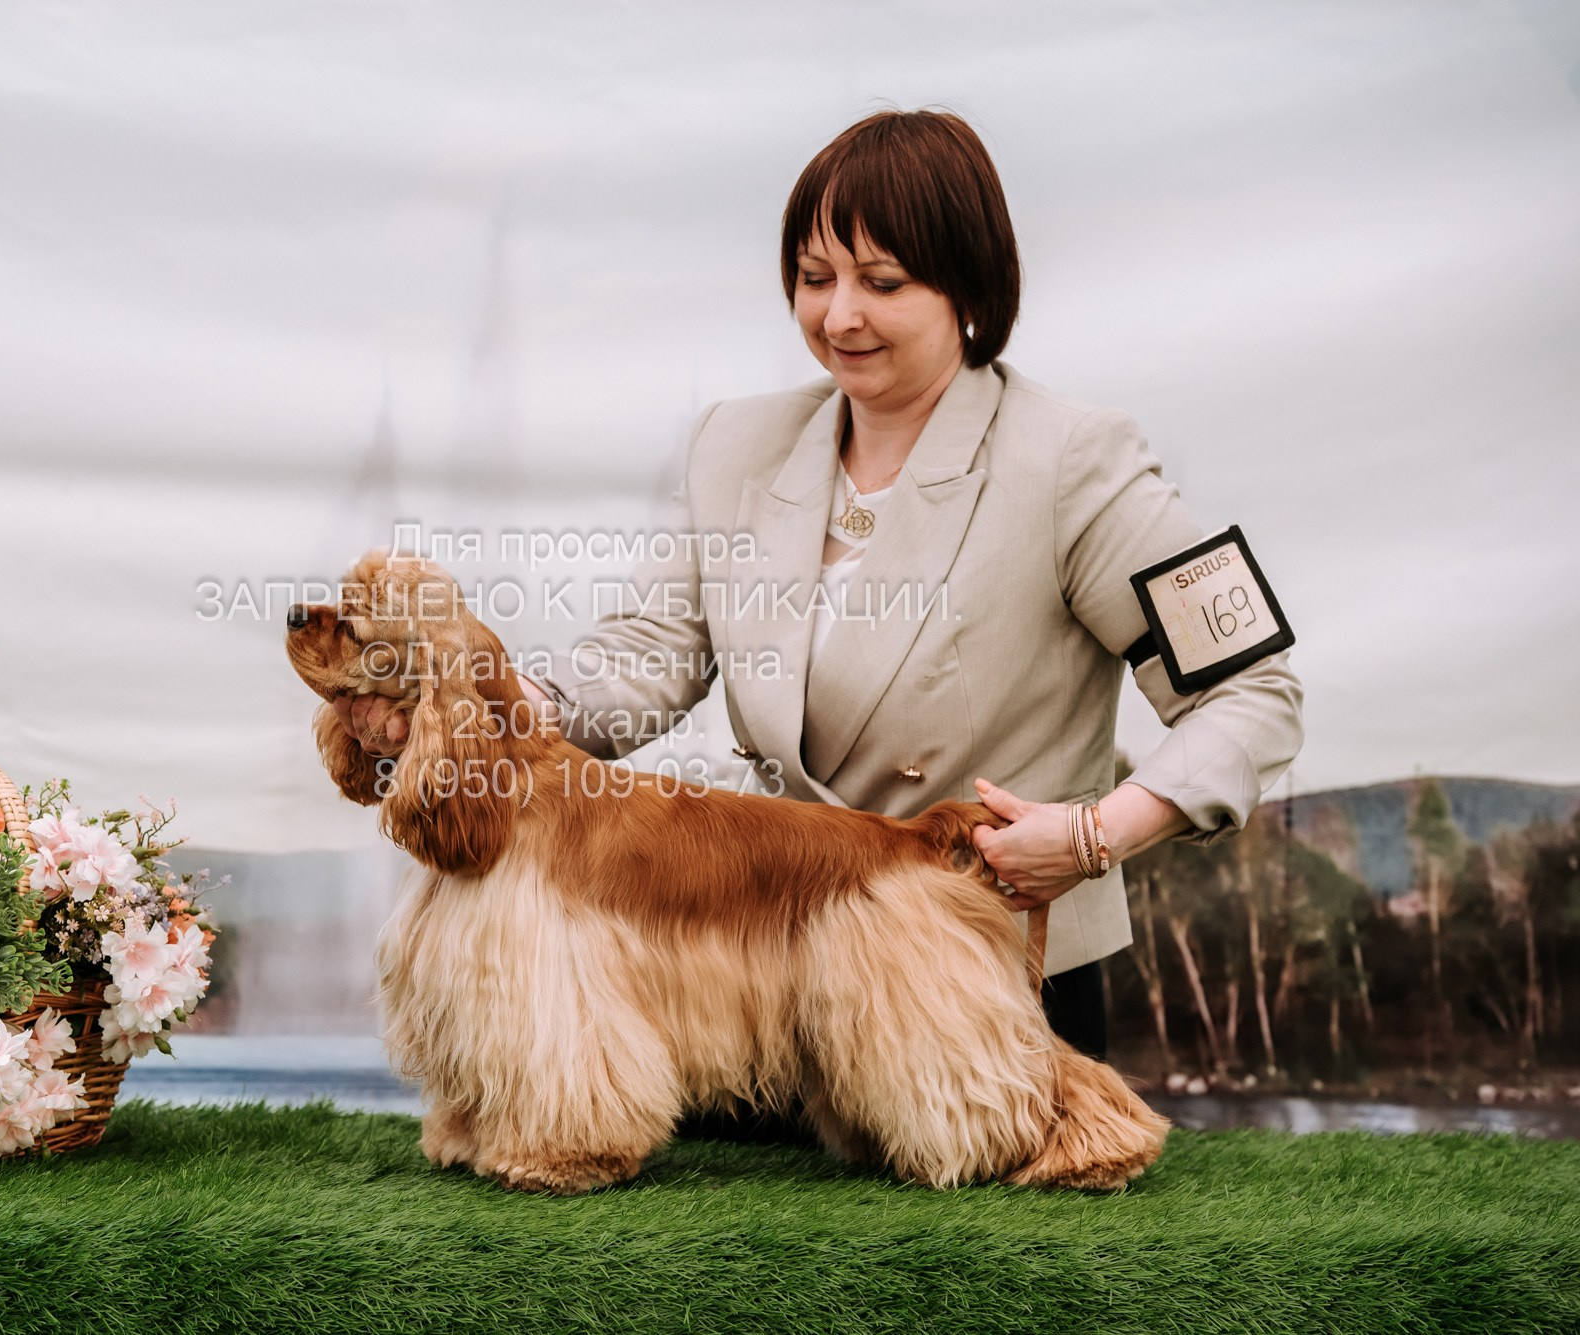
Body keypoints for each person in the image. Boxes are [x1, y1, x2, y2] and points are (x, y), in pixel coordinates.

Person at [336, 109, 1303, 1062]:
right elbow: (647, 655)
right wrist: (503, 706)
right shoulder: (732, 444)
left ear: (968, 285)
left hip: (983, 977)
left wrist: (1092, 836)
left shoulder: (1078, 459)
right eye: (813, 278)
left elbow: (1254, 693)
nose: (839, 315)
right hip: (754, 989)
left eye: (881, 282)